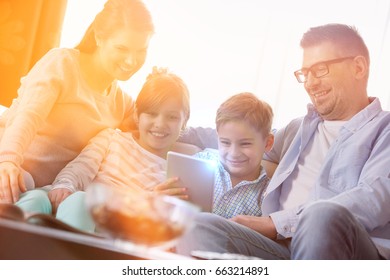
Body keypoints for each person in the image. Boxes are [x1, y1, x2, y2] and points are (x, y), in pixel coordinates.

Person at [176, 23, 390, 260]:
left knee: (322, 214)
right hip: (280, 250)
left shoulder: (385, 130)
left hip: (348, 252)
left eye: (320, 70)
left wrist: (276, 223)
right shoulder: (298, 128)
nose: (310, 83)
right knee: (202, 225)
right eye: (305, 73)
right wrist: (164, 127)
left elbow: (374, 198)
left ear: (358, 67)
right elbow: (242, 136)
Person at [0, 0, 154, 209]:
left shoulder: (122, 104)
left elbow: (152, 130)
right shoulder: (62, 63)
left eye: (141, 51)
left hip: (40, 194)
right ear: (99, 37)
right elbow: (28, 116)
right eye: (121, 48)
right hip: (8, 167)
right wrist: (8, 160)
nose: (131, 61)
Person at [39, 67, 192, 232]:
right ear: (137, 115)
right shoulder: (112, 138)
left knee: (80, 201)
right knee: (35, 199)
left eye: (172, 117)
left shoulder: (176, 174)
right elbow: (82, 167)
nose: (160, 124)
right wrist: (65, 185)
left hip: (114, 226)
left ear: (184, 122)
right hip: (74, 205)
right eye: (152, 114)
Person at [194, 92, 274, 219]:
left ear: (268, 143)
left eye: (245, 144)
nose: (234, 153)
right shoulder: (199, 164)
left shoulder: (268, 194)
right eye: (225, 142)